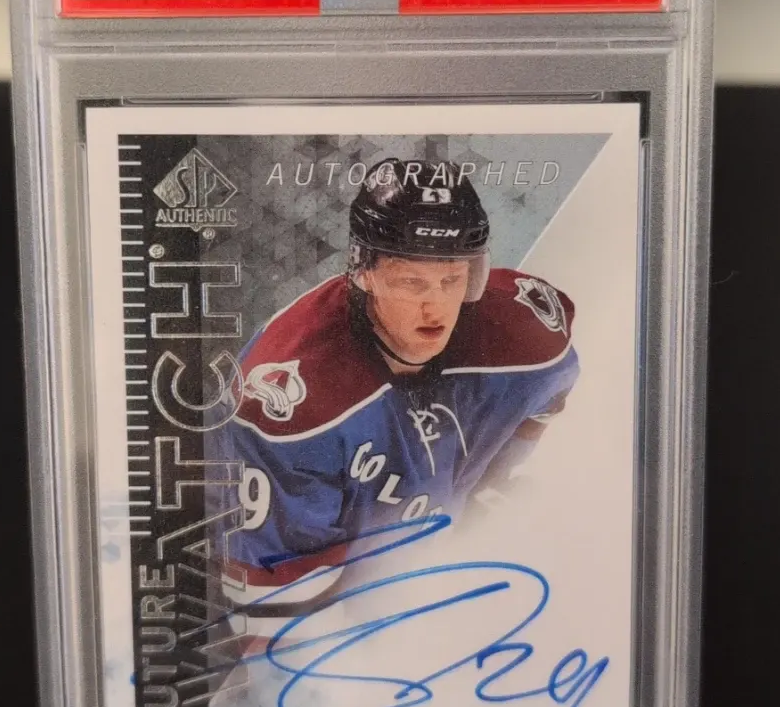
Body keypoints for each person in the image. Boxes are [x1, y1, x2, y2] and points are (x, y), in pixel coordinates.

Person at [219, 157, 579, 620]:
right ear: (363, 272)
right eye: (412, 282)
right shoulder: (291, 400)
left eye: (452, 280)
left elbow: (547, 395)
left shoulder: (526, 337)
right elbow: (276, 607)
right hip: (322, 597)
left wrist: (493, 485)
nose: (436, 308)